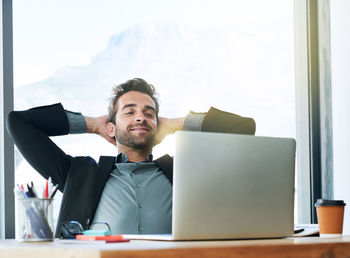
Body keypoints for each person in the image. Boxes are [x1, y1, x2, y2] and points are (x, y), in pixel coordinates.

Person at [7, 78, 256, 237]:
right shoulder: (79, 173)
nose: (141, 117)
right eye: (129, 112)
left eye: (149, 114)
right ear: (112, 128)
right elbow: (18, 123)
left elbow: (243, 128)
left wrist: (175, 124)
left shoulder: (184, 171)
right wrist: (93, 124)